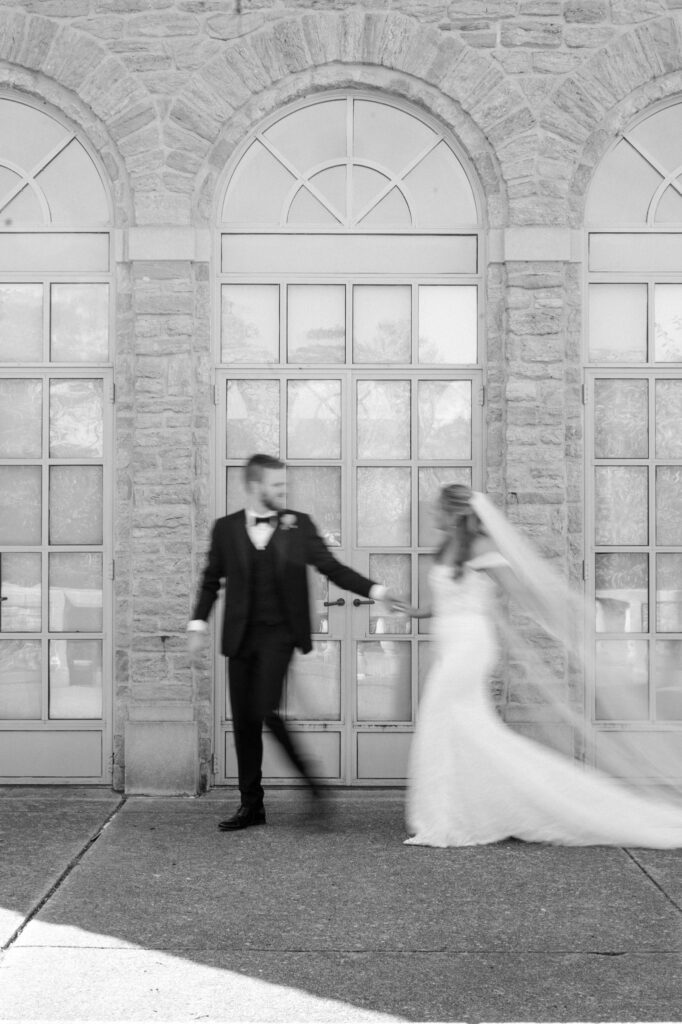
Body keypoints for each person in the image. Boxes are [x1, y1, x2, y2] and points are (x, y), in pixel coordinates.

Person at [394, 484, 682, 848]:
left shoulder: (482, 547)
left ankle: (451, 815)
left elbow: (521, 591)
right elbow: (450, 600)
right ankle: (459, 809)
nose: (433, 514)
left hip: (470, 646)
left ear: (455, 512)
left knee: (444, 719)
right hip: (449, 646)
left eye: (438, 509)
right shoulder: (447, 547)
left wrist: (566, 611)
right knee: (463, 728)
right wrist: (419, 611)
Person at [188, 453, 394, 831]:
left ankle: (314, 786)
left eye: (285, 486)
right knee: (245, 723)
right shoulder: (225, 529)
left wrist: (376, 590)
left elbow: (331, 568)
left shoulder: (299, 526)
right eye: (276, 486)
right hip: (239, 638)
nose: (283, 491)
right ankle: (252, 806)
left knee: (264, 708)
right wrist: (198, 622)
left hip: (279, 635)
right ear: (254, 487)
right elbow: (210, 579)